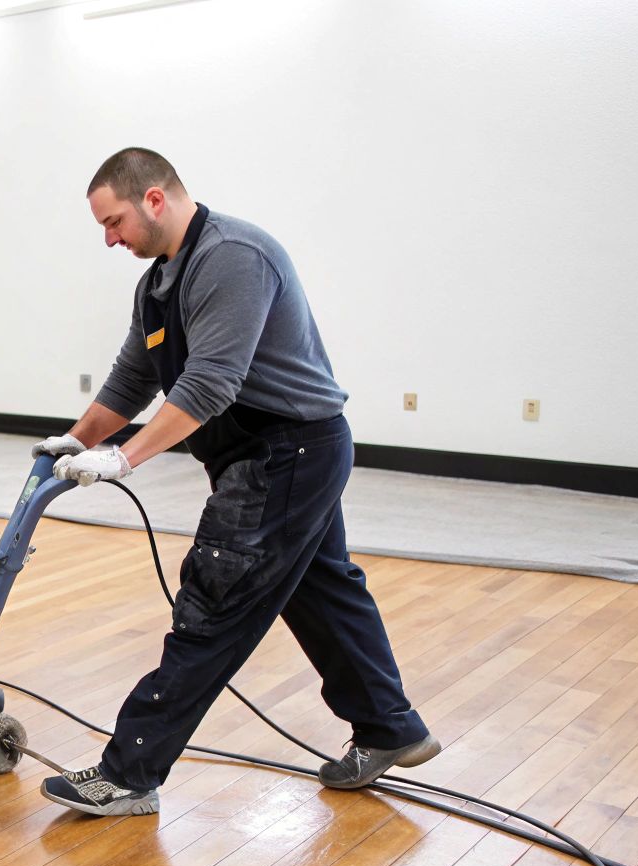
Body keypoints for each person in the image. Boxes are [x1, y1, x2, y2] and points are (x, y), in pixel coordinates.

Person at [33, 148, 438, 816]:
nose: (110, 239)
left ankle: (129, 773)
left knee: (214, 600)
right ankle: (391, 728)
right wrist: (78, 440)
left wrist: (124, 459)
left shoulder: (232, 257)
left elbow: (211, 382)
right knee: (322, 591)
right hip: (272, 452)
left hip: (287, 451)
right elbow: (133, 378)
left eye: (113, 222)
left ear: (154, 198)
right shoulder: (159, 283)